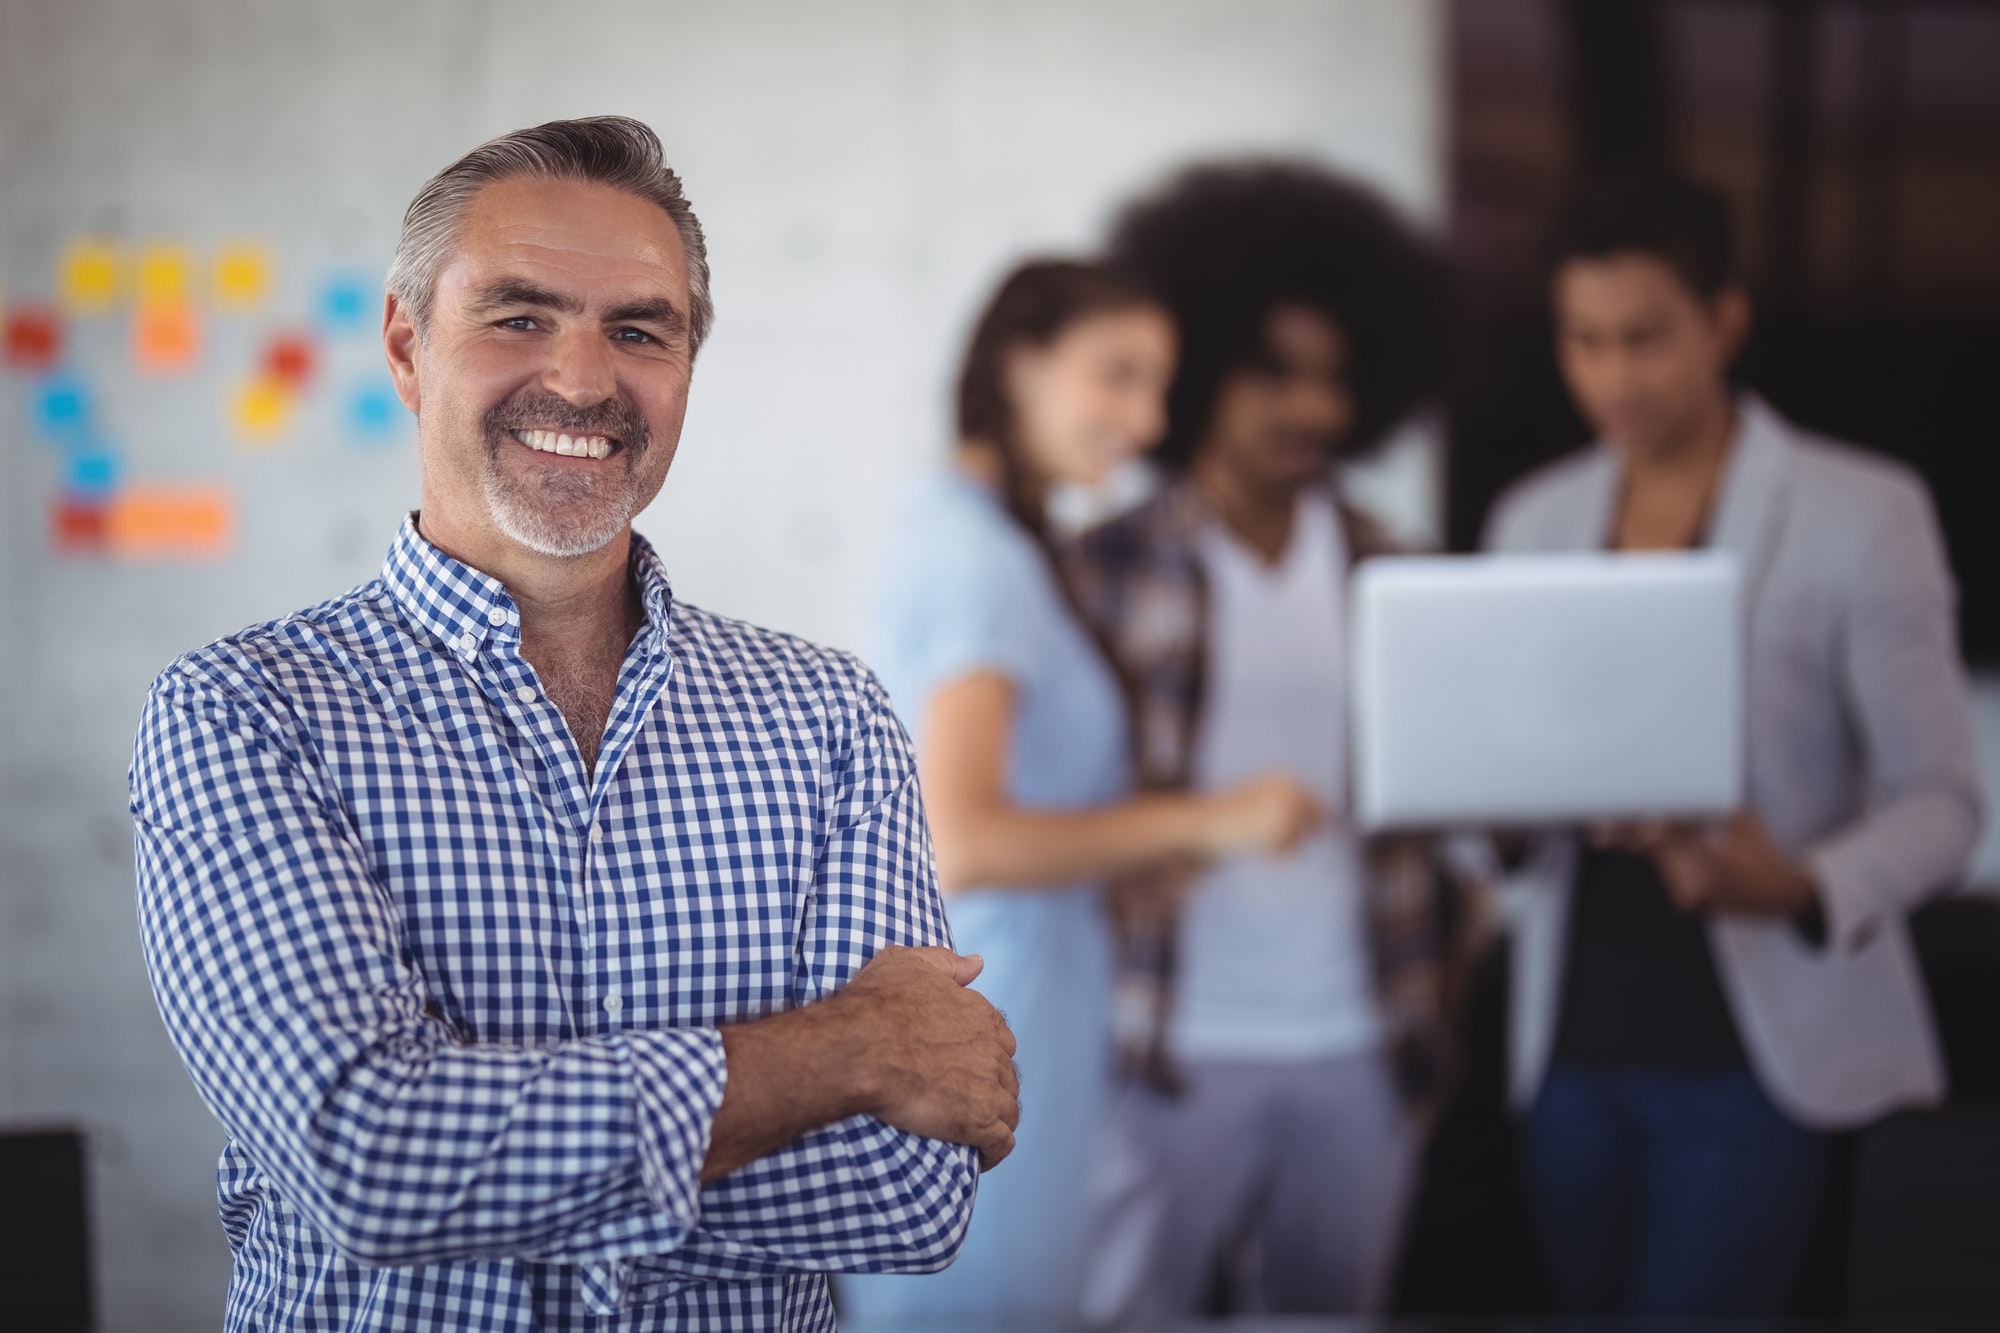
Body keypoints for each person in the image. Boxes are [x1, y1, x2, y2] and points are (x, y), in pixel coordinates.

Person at [128, 117, 1021, 1333]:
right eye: (518, 315)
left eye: (639, 330)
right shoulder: (245, 712)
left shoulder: (826, 717)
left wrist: (492, 1167)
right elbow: (365, 1159)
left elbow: (909, 1197)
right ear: (405, 342)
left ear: (688, 366)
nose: (586, 380)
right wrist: (845, 1054)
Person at [1485, 170, 1984, 1317]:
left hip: (1758, 1057)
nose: (1612, 376)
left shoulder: (1860, 511)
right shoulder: (1532, 518)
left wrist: (1797, 883)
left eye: (1645, 339)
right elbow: (1500, 797)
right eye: (1582, 340)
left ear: (1725, 319)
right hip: (1568, 1052)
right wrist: (1496, 808)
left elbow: (1944, 803)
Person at [841, 259, 1322, 1322]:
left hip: (1020, 1000)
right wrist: (1218, 818)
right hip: (999, 1006)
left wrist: (1134, 853)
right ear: (1016, 362)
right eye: (1116, 375)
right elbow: (962, 837)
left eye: (1158, 386)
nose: (1144, 421)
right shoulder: (980, 559)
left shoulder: (983, 537)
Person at [1068, 162, 1472, 1319]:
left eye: (1336, 380)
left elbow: (1451, 827)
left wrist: (1439, 1008)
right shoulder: (1103, 569)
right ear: (1194, 370)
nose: (1314, 411)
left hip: (1360, 1048)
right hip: (1158, 1050)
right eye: (1275, 374)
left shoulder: (1389, 569)